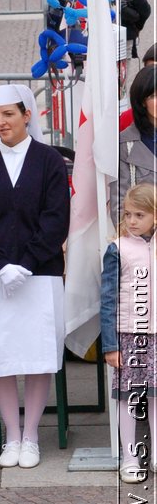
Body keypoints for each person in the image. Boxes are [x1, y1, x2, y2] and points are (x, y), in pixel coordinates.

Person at [0, 84, 70, 469]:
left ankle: (31, 435)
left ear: (27, 115)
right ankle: (12, 433)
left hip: (39, 276)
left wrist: (25, 262)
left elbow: (56, 218)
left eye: (8, 114)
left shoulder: (50, 162)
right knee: (2, 355)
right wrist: (0, 265)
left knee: (39, 355)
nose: (1, 122)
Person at [100, 183, 156, 482]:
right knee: (129, 398)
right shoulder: (117, 249)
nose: (132, 221)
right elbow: (108, 299)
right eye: (128, 214)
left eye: (140, 215)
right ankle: (131, 457)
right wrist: (110, 344)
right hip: (129, 335)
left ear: (155, 217)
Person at [113, 65, 157, 222]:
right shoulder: (125, 144)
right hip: (142, 239)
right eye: (152, 96)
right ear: (142, 101)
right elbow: (118, 205)